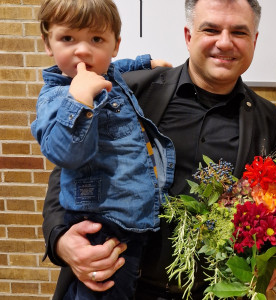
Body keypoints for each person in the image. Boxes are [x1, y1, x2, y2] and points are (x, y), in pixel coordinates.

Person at [41, 0, 276, 299]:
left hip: (213, 292)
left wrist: (273, 255)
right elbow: (69, 165)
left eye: (239, 32)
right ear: (188, 35)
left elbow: (273, 203)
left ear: (254, 40)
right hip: (122, 283)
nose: (224, 42)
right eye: (211, 29)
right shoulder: (129, 90)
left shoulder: (266, 118)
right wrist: (61, 240)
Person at [31, 0, 175, 298]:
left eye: (96, 39)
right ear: (48, 42)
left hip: (129, 218)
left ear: (114, 45)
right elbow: (64, 154)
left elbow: (117, 66)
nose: (83, 51)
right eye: (68, 38)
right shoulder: (57, 97)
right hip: (100, 226)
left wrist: (144, 63)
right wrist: (79, 101)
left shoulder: (106, 73)